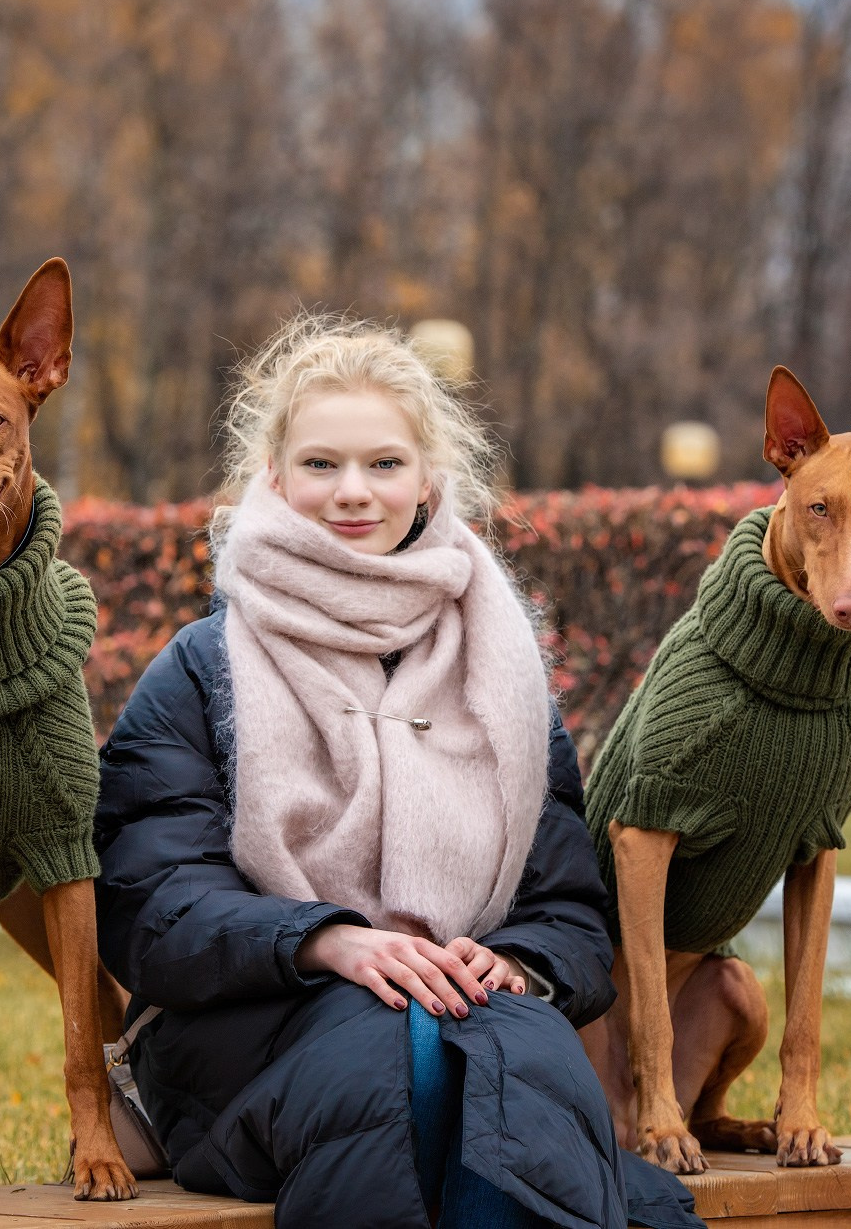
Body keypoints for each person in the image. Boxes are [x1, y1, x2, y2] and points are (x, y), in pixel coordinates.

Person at [92, 317, 703, 1229]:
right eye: (320, 465)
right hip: (252, 1027)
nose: (353, 493)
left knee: (500, 1055)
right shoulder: (204, 665)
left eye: (383, 464)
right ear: (272, 477)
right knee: (403, 1050)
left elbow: (569, 910)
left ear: (427, 481)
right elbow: (153, 906)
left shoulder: (500, 668)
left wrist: (514, 963)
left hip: (477, 1005)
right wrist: (328, 940)